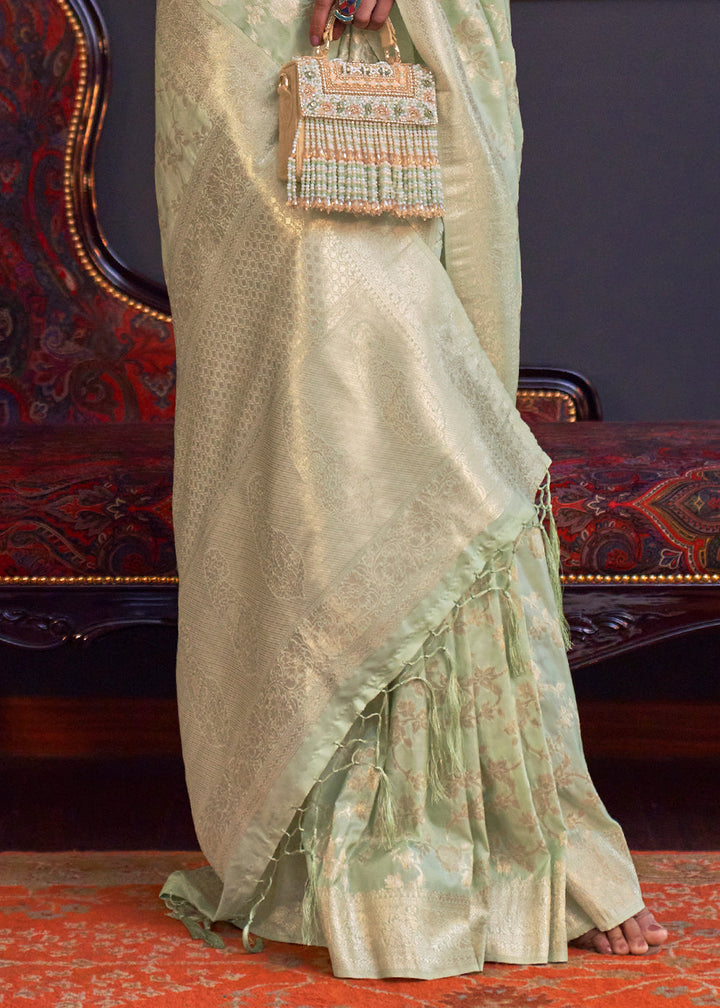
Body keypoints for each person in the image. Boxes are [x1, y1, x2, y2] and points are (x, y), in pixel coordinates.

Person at [154, 0, 668, 978]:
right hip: (242, 30)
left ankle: (519, 836)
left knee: (437, 384)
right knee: (317, 380)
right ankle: (344, 855)